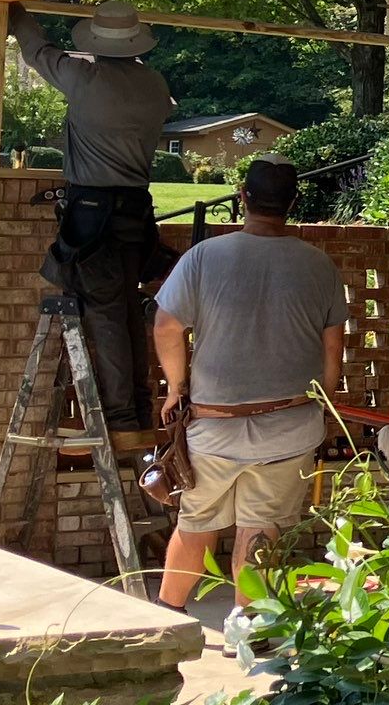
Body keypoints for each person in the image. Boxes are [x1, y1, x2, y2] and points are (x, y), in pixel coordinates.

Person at [148, 156, 346, 611]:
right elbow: (333, 345)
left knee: (195, 523)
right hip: (290, 424)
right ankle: (251, 635)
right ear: (292, 203)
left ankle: (166, 623)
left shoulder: (204, 257)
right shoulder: (318, 265)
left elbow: (165, 327)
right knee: (263, 532)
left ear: (242, 197)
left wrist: (178, 388)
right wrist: (327, 404)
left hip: (214, 425)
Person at [10, 0, 177, 433]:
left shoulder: (84, 78)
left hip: (93, 219)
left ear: (96, 43)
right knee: (123, 310)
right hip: (136, 217)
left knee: (107, 314)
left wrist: (14, 11)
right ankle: (138, 410)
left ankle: (122, 420)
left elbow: (36, 50)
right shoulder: (155, 85)